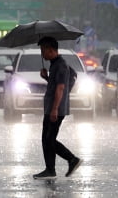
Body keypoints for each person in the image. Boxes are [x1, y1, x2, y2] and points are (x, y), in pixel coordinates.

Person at [32, 37, 82, 180]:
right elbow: (57, 84)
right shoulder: (55, 65)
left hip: (56, 109)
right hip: (51, 107)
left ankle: (72, 159)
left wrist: (54, 109)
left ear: (51, 49)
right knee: (46, 139)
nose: (42, 54)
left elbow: (61, 88)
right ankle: (50, 169)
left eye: (43, 50)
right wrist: (46, 77)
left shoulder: (61, 65)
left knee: (49, 139)